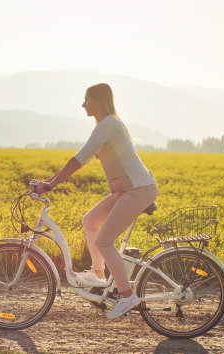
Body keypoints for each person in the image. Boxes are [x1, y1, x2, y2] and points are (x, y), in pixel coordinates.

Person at [35, 83, 158, 319]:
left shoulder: (109, 124)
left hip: (138, 189)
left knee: (104, 240)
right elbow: (84, 158)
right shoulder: (106, 126)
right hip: (127, 189)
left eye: (87, 99)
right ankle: (98, 273)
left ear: (98, 102)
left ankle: (126, 296)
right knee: (90, 220)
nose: (83, 104)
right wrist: (49, 181)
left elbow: (79, 158)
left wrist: (51, 183)